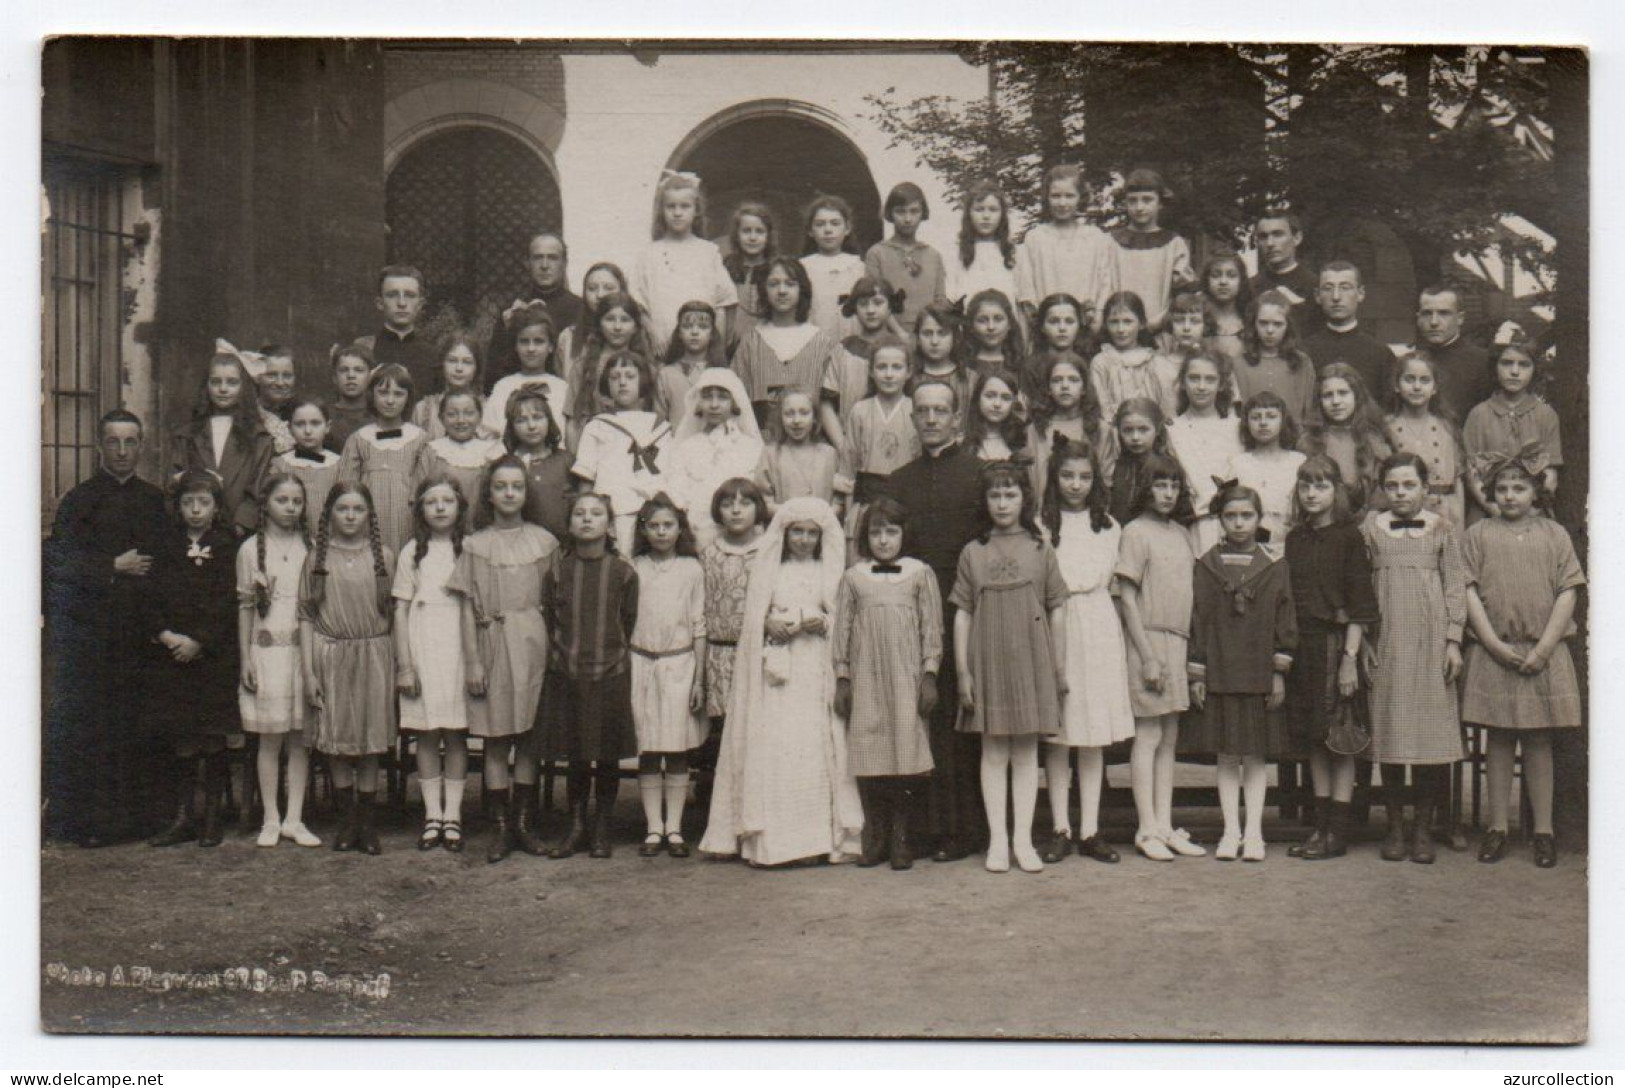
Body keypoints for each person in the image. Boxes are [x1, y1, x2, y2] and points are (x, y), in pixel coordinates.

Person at [699, 496, 864, 866]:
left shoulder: (830, 571)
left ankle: (817, 841)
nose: (804, 540)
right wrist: (766, 624)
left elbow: (841, 617)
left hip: (815, 669)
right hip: (777, 675)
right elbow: (755, 615)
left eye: (811, 533)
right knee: (778, 747)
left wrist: (823, 621)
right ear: (785, 534)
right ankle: (775, 843)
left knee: (814, 749)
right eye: (797, 533)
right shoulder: (770, 569)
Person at [44, 411, 171, 846]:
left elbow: (165, 566)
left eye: (129, 442)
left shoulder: (155, 501)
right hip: (94, 636)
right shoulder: (79, 501)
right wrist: (111, 566)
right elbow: (57, 564)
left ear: (141, 446)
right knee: (97, 728)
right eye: (113, 442)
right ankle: (94, 825)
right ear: (100, 446)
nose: (121, 451)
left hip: (139, 635)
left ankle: (141, 821)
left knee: (138, 724)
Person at [877, 380, 989, 862]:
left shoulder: (980, 476)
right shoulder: (898, 481)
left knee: (963, 721)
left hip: (968, 612)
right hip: (913, 614)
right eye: (922, 411)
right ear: (912, 418)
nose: (931, 418)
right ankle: (923, 830)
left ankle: (969, 830)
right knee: (924, 719)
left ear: (956, 417)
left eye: (940, 410)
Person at [1462, 455, 1584, 868]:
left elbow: (1569, 591)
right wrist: (1492, 644)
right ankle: (1497, 827)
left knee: (1537, 741)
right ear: (1491, 494)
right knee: (1498, 738)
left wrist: (1544, 649)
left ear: (1535, 492)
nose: (1510, 496)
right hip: (1496, 651)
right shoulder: (1478, 534)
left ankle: (1543, 831)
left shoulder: (1554, 535)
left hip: (1540, 653)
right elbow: (1468, 592)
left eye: (1519, 488)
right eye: (1501, 489)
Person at [952, 461, 1069, 874]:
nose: (1003, 504)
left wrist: (1058, 667)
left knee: (1025, 752)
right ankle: (997, 841)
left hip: (1031, 660)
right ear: (985, 502)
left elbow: (1057, 609)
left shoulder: (1040, 549)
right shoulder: (974, 551)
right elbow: (962, 614)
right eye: (995, 496)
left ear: (1025, 499)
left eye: (1011, 495)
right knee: (993, 751)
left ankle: (1023, 840)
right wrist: (964, 672)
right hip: (988, 660)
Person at [449, 456, 562, 862]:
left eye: (516, 486)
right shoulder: (476, 545)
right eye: (501, 486)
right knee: (496, 738)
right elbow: (464, 607)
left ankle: (524, 825)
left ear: (526, 493)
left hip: (534, 642)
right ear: (489, 493)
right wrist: (474, 661)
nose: (509, 493)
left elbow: (556, 603)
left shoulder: (544, 542)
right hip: (493, 641)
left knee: (529, 738)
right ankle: (499, 829)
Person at [1362, 452, 1467, 865]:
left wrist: (1453, 640)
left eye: (1409, 485)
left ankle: (1423, 826)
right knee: (1391, 734)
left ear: (1425, 489)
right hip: (1387, 642)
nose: (1401, 493)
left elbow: (1456, 585)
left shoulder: (1442, 529)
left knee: (1429, 738)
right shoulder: (1371, 530)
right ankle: (1394, 825)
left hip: (1430, 645)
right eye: (1392, 486)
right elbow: (1359, 589)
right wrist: (1365, 642)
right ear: (1383, 489)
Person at [1184, 482, 1298, 862]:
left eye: (1246, 516)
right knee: (1227, 755)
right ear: (1219, 520)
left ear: (1259, 519)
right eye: (1230, 516)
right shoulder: (1207, 565)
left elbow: (1285, 620)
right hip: (1220, 671)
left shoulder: (1275, 567)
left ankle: (1254, 833)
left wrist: (1278, 672)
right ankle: (1230, 830)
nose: (1238, 523)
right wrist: (1197, 674)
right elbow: (1199, 619)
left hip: (1257, 672)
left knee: (1255, 755)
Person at [1037, 439, 1134, 865]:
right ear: (1054, 479)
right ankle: (1060, 827)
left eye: (1084, 477)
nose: (1075, 485)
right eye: (1067, 476)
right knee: (1059, 735)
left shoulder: (1109, 526)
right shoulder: (1040, 525)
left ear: (1095, 481)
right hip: (1057, 623)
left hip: (1096, 625)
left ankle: (1091, 829)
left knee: (1092, 734)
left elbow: (1114, 589)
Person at [833, 496, 942, 870]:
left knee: (905, 755)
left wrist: (929, 674)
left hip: (905, 677)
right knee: (869, 753)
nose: (883, 540)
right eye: (876, 532)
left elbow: (932, 628)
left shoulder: (918, 573)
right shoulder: (853, 577)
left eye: (891, 532)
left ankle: (901, 836)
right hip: (866, 678)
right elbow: (842, 630)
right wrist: (843, 678)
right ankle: (876, 836)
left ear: (903, 534)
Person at [537, 491, 641, 860]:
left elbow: (627, 621)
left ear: (609, 524)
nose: (586, 519)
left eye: (596, 513)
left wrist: (612, 655)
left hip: (611, 672)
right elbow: (551, 619)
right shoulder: (557, 572)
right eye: (579, 513)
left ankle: (603, 827)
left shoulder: (624, 572)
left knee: (607, 753)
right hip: (568, 672)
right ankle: (577, 826)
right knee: (576, 753)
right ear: (569, 524)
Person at [1283, 456, 1377, 861]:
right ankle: (1319, 828)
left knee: (1341, 741)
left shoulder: (1348, 537)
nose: (1311, 494)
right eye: (1305, 486)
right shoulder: (1295, 539)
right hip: (1304, 646)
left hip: (1337, 645)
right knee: (1315, 741)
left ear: (1335, 490)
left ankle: (1338, 832)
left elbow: (1360, 605)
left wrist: (1349, 659)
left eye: (1320, 486)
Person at [142, 470, 241, 849]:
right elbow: (150, 599)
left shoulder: (227, 545)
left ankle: (212, 817)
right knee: (182, 737)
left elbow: (227, 602)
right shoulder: (165, 545)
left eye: (204, 503)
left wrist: (200, 641)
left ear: (216, 507)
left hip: (211, 657)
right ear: (178, 506)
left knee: (211, 737)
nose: (196, 510)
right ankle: (184, 816)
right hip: (173, 657)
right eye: (188, 503)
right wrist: (168, 637)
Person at [299, 482, 396, 856]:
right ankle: (347, 821)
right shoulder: (317, 558)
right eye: (343, 509)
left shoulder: (383, 556)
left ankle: (368, 825)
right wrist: (309, 672)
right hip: (332, 654)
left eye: (358, 509)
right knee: (338, 744)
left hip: (374, 653)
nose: (351, 516)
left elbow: (394, 612)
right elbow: (306, 616)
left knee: (370, 744)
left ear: (369, 514)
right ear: (330, 514)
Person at [1116, 453, 1202, 861]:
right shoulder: (1135, 531)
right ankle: (1145, 827)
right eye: (1159, 485)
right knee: (1148, 735)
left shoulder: (1183, 534)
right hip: (1147, 640)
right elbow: (1128, 599)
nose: (1167, 494)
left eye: (1173, 486)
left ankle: (1165, 825)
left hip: (1177, 640)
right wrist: (1147, 656)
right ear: (1145, 489)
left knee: (1169, 737)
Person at [236, 472, 320, 849]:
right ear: (266, 503)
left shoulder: (312, 546)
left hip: (303, 654)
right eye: (282, 500)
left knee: (300, 739)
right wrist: (245, 660)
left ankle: (295, 818)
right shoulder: (250, 549)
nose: (290, 507)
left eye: (296, 501)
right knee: (270, 739)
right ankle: (270, 817)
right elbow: (245, 607)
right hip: (267, 652)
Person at [393, 476, 473, 854]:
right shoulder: (412, 552)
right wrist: (405, 664)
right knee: (426, 732)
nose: (440, 508)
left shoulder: (469, 550)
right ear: (421, 510)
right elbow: (400, 609)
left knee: (455, 732)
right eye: (432, 502)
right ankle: (432, 815)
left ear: (460, 507)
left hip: (459, 645)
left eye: (447, 501)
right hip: (423, 643)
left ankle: (453, 815)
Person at [628, 495, 708, 858]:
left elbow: (699, 625)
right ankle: (652, 828)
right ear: (643, 529)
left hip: (680, 665)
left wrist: (699, 679)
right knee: (648, 748)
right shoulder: (634, 566)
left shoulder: (691, 568)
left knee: (675, 749)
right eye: (654, 525)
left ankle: (674, 829)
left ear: (680, 529)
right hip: (641, 663)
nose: (661, 532)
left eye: (668, 525)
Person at [697, 478, 769, 788]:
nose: (736, 511)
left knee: (756, 728)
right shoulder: (708, 554)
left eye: (745, 503)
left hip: (755, 651)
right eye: (727, 505)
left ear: (758, 509)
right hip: (717, 653)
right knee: (720, 729)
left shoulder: (767, 552)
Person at [731, 256, 845, 443]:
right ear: (763, 290)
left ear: (802, 289)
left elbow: (830, 407)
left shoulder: (822, 343)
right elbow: (737, 401)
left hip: (811, 449)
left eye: (790, 284)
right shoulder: (751, 341)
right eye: (774, 284)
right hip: (761, 447)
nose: (782, 291)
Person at [572, 352, 675, 555]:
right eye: (615, 377)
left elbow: (670, 475)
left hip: (652, 517)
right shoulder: (597, 426)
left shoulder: (661, 427)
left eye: (630, 376)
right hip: (613, 514)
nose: (622, 383)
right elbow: (586, 482)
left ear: (643, 381)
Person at [166, 349, 275, 534]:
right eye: (216, 382)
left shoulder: (259, 438)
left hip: (240, 532)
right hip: (196, 529)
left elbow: (260, 485)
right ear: (206, 386)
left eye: (232, 382)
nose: (223, 389)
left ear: (244, 388)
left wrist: (242, 523)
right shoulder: (187, 436)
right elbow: (174, 481)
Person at [632, 171, 737, 353]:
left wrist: (715, 346)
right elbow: (638, 304)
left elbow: (723, 302)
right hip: (661, 346)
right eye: (671, 207)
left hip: (702, 349)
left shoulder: (708, 252)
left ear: (696, 210)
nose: (677, 213)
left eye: (684, 206)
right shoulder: (649, 254)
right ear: (662, 210)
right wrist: (654, 334)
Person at [1463, 337, 1562, 521]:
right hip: (1488, 512)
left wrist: (1531, 510)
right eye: (1506, 363)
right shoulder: (1478, 415)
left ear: (1535, 369)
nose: (1514, 371)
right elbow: (1473, 474)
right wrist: (1496, 510)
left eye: (1524, 365)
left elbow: (1550, 473)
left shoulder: (1546, 415)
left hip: (1533, 512)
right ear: (1495, 366)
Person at [668, 367, 765, 551]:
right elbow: (676, 494)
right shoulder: (686, 448)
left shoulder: (750, 447)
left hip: (741, 536)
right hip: (697, 534)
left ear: (734, 402)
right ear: (698, 402)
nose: (714, 405)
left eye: (722, 397)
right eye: (707, 397)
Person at [338, 362, 427, 558]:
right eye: (383, 393)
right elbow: (345, 487)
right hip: (368, 518)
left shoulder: (419, 438)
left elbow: (423, 488)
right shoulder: (359, 439)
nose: (390, 401)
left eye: (398, 394)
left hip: (406, 517)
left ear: (408, 397)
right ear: (371, 395)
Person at [841, 339, 920, 556]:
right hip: (867, 501)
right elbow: (848, 468)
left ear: (909, 371)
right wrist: (850, 517)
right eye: (882, 367)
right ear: (871, 371)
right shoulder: (860, 411)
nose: (888, 374)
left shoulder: (916, 409)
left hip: (906, 503)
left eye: (897, 367)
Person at [1015, 164, 1116, 332]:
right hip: (1048, 326)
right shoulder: (1036, 237)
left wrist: (1098, 314)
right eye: (1056, 196)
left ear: (1080, 197)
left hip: (1087, 325)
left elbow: (1105, 281)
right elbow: (1026, 285)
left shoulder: (1095, 237)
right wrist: (1036, 318)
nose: (1062, 203)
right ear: (1047, 197)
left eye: (1069, 196)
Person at [1167, 352, 1244, 554]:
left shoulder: (1237, 427)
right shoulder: (1172, 430)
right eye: (1194, 378)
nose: (1201, 387)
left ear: (1221, 385)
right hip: (1191, 528)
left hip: (1235, 525)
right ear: (1183, 382)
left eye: (1210, 379)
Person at [486, 232, 583, 390]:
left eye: (552, 258)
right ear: (527, 263)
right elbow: (491, 379)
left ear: (565, 263)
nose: (544, 265)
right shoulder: (511, 311)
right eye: (538, 257)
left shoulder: (581, 310)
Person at [1386, 352, 1466, 531]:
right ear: (1396, 385)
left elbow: (1458, 480)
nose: (1416, 386)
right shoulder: (1387, 427)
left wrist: (1459, 521)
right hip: (1404, 514)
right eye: (1409, 379)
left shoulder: (1447, 426)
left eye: (1424, 380)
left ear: (1435, 387)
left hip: (1444, 512)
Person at [1108, 168, 1196, 331]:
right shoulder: (1111, 243)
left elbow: (1184, 294)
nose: (1139, 207)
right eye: (1132, 200)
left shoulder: (1173, 243)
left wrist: (1160, 321)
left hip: (1160, 327)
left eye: (1147, 200)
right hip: (1119, 328)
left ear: (1160, 203)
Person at [1298, 363, 1393, 513]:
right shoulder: (1308, 442)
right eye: (1328, 395)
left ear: (1357, 396)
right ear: (1319, 401)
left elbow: (1382, 492)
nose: (1336, 402)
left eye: (1343, 393)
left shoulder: (1374, 440)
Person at [1302, 261, 1398, 405]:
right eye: (1328, 288)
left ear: (1360, 294)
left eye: (1345, 288)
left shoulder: (1380, 354)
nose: (1336, 296)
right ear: (1317, 295)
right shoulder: (1304, 351)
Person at [415, 390, 505, 531]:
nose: (461, 420)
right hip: (441, 533)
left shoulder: (492, 452)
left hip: (484, 533)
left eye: (469, 413)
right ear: (441, 418)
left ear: (480, 416)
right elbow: (420, 498)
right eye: (452, 414)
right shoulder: (432, 451)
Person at [864, 181, 947, 332]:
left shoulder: (933, 256)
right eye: (901, 211)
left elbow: (940, 301)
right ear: (890, 213)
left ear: (923, 213)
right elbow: (874, 301)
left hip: (926, 336)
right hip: (888, 337)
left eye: (914, 211)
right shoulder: (877, 253)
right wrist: (902, 335)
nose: (908, 219)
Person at [484, 304, 572, 444]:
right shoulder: (503, 387)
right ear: (515, 346)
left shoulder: (562, 388)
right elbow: (489, 433)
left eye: (538, 342)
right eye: (524, 342)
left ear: (550, 346)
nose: (531, 349)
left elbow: (569, 435)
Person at [1090, 291, 1181, 425]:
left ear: (1142, 323)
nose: (1121, 329)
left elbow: (1168, 409)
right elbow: (1102, 408)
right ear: (1106, 325)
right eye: (1114, 322)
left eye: (1128, 322)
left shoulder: (1158, 363)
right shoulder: (1101, 362)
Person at [753, 388, 850, 514]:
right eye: (789, 414)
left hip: (823, 527)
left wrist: (821, 517)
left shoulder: (829, 454)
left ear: (815, 417)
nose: (796, 421)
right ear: (780, 418)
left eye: (804, 413)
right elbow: (764, 502)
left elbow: (839, 502)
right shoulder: (770, 454)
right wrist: (797, 515)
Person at [1229, 390, 1308, 544]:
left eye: (1271, 416)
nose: (1263, 423)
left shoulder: (1298, 461)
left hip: (1291, 541)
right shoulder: (1239, 463)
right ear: (1246, 423)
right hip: (1250, 542)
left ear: (1283, 421)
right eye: (1255, 417)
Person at [1235, 289, 1318, 430]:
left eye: (1277, 324)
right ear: (1254, 324)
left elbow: (1309, 410)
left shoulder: (1302, 362)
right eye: (1263, 323)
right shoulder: (1239, 363)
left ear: (1288, 326)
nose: (1270, 330)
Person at [504, 386, 575, 541]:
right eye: (521, 420)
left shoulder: (566, 461)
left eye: (537, 417)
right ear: (511, 427)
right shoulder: (506, 466)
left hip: (562, 548)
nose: (531, 426)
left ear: (549, 420)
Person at [1415, 284, 1493, 420]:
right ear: (1419, 318)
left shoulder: (1482, 362)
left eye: (1443, 313)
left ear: (1460, 318)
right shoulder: (1412, 362)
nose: (1434, 322)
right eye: (1427, 313)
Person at [354, 264, 438, 393]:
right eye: (392, 295)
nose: (402, 303)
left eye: (410, 295)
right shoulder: (363, 351)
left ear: (420, 304)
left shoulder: (433, 357)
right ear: (380, 303)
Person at [799, 194, 866, 341]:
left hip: (851, 343)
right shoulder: (802, 267)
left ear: (847, 228)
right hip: (813, 343)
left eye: (835, 223)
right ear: (810, 230)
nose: (828, 230)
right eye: (820, 224)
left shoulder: (858, 267)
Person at [946, 182, 1019, 316]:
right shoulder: (957, 252)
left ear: (1002, 214)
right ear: (969, 214)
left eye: (993, 209)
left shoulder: (1012, 253)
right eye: (979, 209)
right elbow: (951, 298)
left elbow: (1019, 301)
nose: (986, 216)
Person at [276, 399, 342, 538]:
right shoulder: (280, 464)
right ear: (289, 429)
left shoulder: (338, 465)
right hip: (290, 539)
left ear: (327, 426)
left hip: (329, 540)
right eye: (300, 424)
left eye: (315, 423)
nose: (307, 431)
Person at [657, 301, 729, 429]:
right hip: (675, 445)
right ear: (679, 332)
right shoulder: (666, 374)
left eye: (703, 327)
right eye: (687, 326)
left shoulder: (721, 374)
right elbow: (659, 421)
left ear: (712, 334)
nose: (695, 332)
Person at [1106, 398, 1172, 528]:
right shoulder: (1115, 467)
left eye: (1143, 430)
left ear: (1157, 429)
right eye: (1128, 430)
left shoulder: (1167, 468)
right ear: (1119, 432)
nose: (1135, 437)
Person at [414, 331, 491, 442]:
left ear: (477, 368)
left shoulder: (489, 409)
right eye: (452, 360)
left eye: (467, 362)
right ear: (442, 364)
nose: (459, 368)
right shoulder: (423, 410)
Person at [1249, 212, 1317, 334]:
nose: (1270, 243)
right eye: (1263, 237)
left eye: (1278, 234)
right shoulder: (1249, 287)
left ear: (1297, 238)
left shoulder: (1314, 285)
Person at [721, 203, 776, 352]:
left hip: (767, 346)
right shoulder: (725, 268)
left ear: (768, 235)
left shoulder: (775, 270)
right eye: (746, 231)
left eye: (759, 232)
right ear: (736, 235)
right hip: (731, 346)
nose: (753, 237)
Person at [1201, 250, 1253, 372]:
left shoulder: (1249, 322)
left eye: (1231, 275)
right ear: (1206, 280)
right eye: (1216, 275)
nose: (1223, 282)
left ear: (1241, 281)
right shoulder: (1196, 321)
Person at [325, 344, 374, 453]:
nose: (351, 375)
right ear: (334, 378)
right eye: (343, 370)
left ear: (370, 376)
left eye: (359, 370)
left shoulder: (378, 416)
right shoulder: (324, 416)